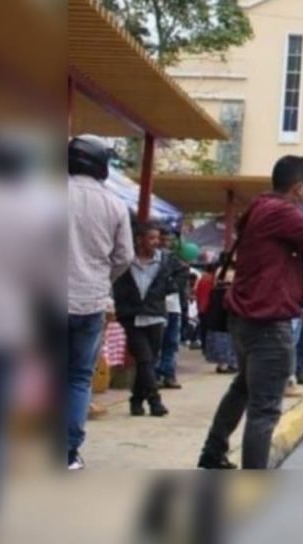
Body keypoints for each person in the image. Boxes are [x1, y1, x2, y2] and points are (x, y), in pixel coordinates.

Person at [198, 156, 303, 470]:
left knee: (243, 388)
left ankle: (212, 452)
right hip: (267, 323)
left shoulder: (264, 211)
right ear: (299, 189)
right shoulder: (278, 211)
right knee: (265, 410)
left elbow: (302, 261)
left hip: (248, 319)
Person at [67, 136, 134, 470]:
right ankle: (68, 453)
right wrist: (102, 277)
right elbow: (125, 256)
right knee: (79, 377)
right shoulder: (115, 204)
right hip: (92, 302)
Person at [112, 220, 190, 417]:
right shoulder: (127, 260)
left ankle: (136, 399)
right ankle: (155, 401)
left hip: (155, 316)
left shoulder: (165, 260)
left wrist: (169, 288)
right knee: (145, 359)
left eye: (157, 238)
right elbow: (114, 278)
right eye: (151, 238)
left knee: (148, 360)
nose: (156, 242)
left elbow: (183, 272)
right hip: (131, 316)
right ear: (139, 240)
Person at [155, 230, 188, 389]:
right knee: (162, 342)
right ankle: (160, 375)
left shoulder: (176, 261)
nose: (166, 242)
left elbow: (180, 283)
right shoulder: (151, 260)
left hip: (171, 306)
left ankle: (166, 374)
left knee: (169, 342)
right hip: (159, 306)